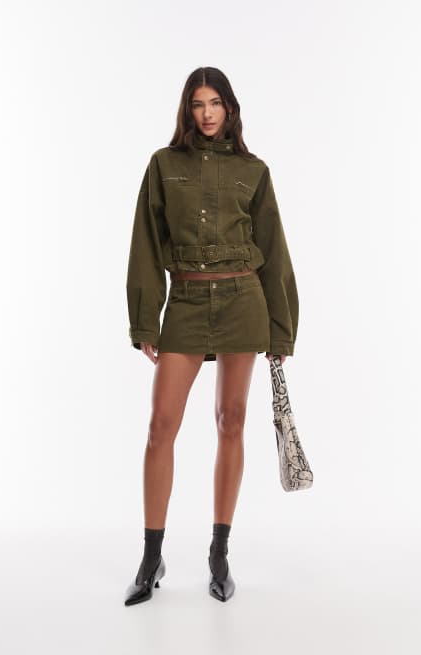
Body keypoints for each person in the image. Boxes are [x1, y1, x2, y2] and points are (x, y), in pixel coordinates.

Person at [124, 66, 299, 605]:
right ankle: (151, 557)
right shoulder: (163, 165)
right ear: (187, 109)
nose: (207, 113)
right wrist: (145, 319)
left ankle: (219, 554)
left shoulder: (254, 170)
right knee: (161, 425)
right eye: (198, 103)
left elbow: (274, 249)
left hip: (243, 300)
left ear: (230, 109)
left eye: (215, 103)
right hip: (186, 300)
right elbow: (146, 244)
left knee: (231, 421)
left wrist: (281, 330)